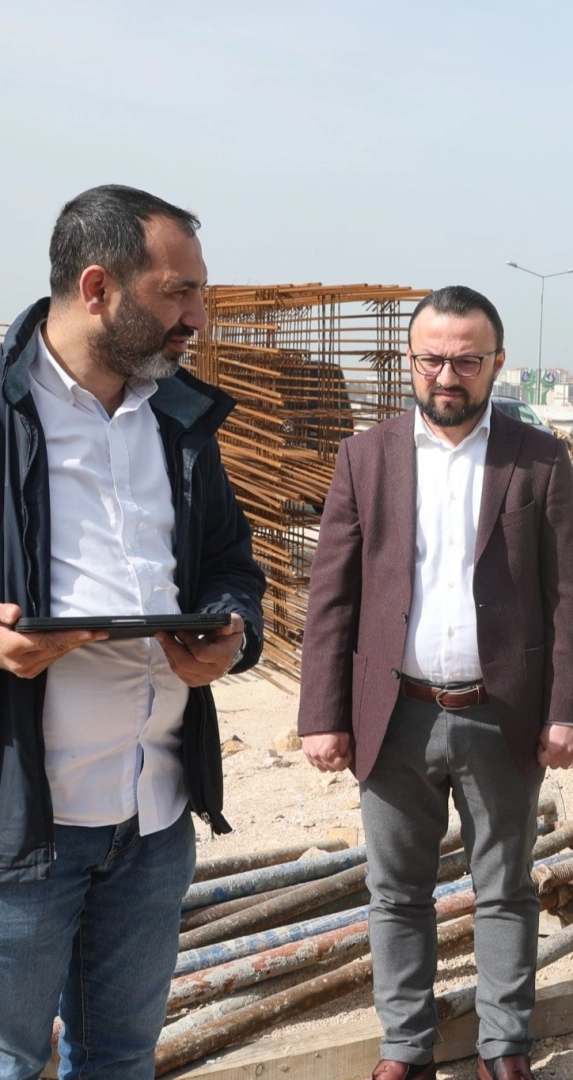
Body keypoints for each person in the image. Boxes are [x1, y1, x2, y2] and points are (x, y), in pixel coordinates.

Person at [0, 185, 266, 1080]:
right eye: (177, 292)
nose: (198, 318)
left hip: (155, 817)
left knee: (119, 1059)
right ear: (97, 288)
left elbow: (231, 561)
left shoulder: (181, 419)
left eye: (200, 293)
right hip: (22, 827)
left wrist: (232, 631)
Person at [297, 286, 573, 1080]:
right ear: (409, 361)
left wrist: (566, 709)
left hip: (503, 714)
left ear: (497, 362)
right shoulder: (366, 457)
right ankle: (405, 1048)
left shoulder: (538, 459)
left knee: (505, 888)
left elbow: (569, 594)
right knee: (396, 892)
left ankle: (505, 1047)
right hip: (394, 713)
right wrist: (322, 712)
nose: (447, 376)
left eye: (466, 360)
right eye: (431, 359)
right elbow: (332, 594)